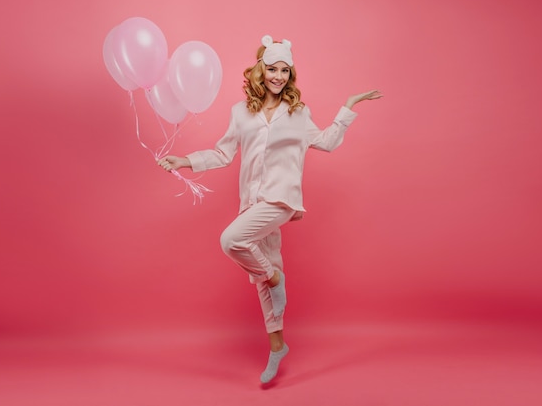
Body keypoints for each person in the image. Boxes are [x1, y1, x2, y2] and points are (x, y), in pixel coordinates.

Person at [158, 35, 382, 384]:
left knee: (232, 241)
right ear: (261, 71)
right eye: (273, 68)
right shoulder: (240, 112)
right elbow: (223, 153)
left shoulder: (298, 112)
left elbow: (325, 142)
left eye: (285, 70)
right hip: (251, 201)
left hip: (281, 198)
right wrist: (185, 160)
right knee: (263, 276)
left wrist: (348, 106)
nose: (278, 76)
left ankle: (276, 279)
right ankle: (277, 346)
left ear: (289, 75)